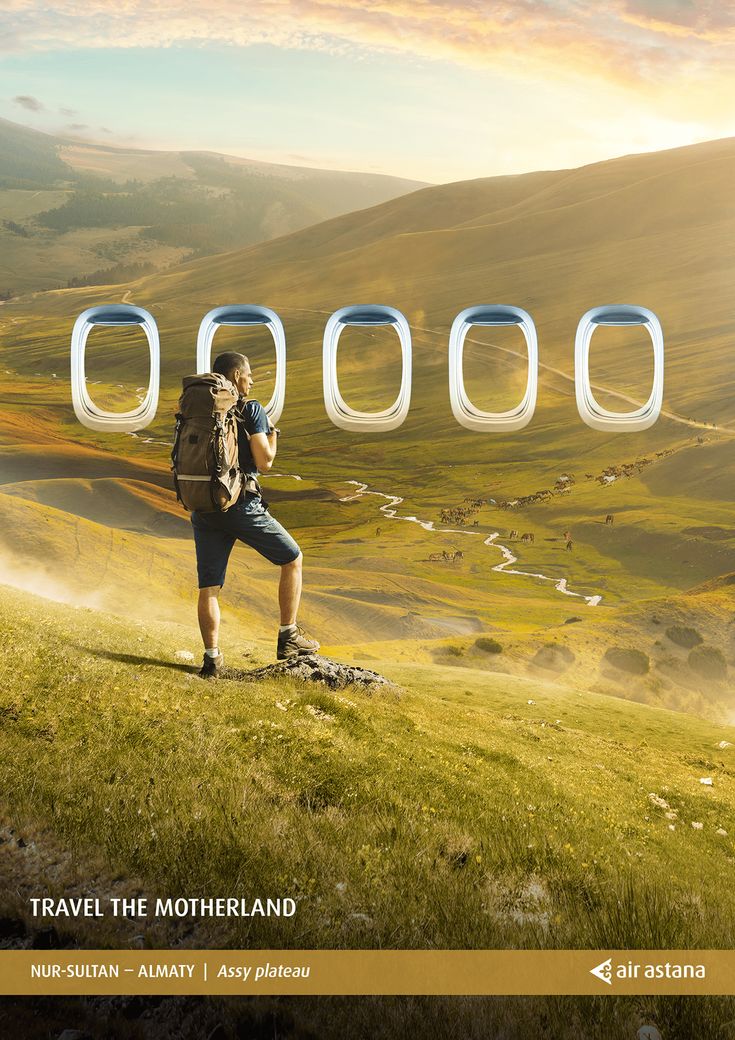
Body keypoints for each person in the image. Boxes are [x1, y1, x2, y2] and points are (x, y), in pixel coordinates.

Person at [190, 350, 319, 677]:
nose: (252, 379)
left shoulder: (201, 409)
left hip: (204, 506)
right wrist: (273, 437)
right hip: (240, 504)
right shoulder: (251, 409)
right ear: (236, 377)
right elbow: (264, 461)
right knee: (292, 558)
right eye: (248, 374)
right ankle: (288, 635)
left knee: (209, 588)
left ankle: (212, 660)